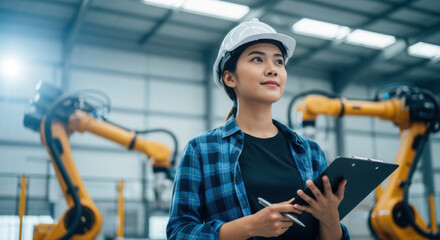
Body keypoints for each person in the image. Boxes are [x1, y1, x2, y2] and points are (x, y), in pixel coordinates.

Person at [167, 18, 350, 240]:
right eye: (257, 59)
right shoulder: (202, 150)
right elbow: (179, 233)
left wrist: (330, 219)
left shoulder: (310, 151)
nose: (272, 69)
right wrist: (249, 227)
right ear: (230, 77)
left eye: (279, 62)